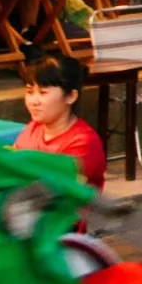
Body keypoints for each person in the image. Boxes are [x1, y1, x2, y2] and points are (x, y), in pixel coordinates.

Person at [15, 53, 106, 190]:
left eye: (43, 92)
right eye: (29, 92)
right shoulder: (33, 128)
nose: (33, 101)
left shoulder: (84, 142)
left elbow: (56, 189)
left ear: (71, 96)